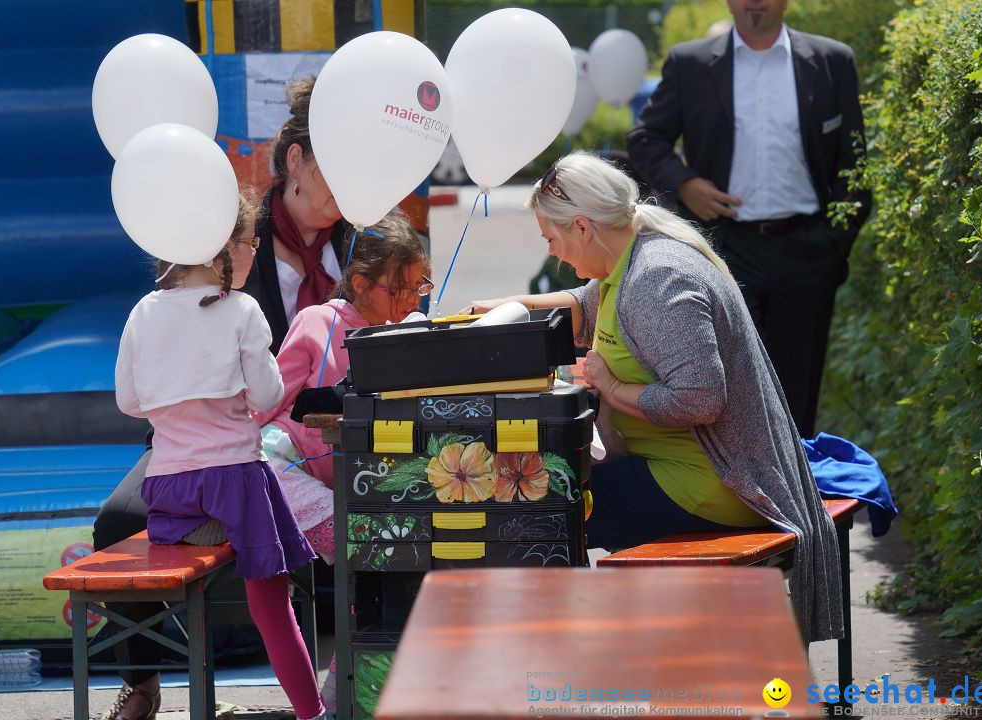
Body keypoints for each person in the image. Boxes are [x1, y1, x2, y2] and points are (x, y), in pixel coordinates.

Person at [461, 152, 842, 643]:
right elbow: (582, 309)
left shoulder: (655, 280)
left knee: (536, 514)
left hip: (715, 484)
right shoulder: (635, 257)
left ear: (581, 227)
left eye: (552, 239)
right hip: (691, 471)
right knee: (543, 496)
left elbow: (701, 399)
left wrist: (613, 389)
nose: (555, 255)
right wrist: (505, 309)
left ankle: (565, 667)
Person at [99, 191, 326, 720]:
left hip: (170, 494)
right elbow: (269, 399)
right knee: (272, 605)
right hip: (237, 488)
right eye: (249, 243)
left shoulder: (143, 312)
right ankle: (313, 712)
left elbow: (129, 402)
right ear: (220, 249)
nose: (254, 254)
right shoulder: (242, 311)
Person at [626, 0, 872, 438]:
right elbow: (646, 138)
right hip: (725, 250)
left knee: (798, 393)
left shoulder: (832, 61)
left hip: (807, 249)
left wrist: (834, 243)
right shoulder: (692, 63)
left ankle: (797, 496)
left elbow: (855, 165)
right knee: (728, 393)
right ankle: (735, 501)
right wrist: (684, 183)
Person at [253, 209, 431, 709]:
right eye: (401, 289)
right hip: (291, 470)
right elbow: (267, 405)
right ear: (358, 283)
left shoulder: (413, 333)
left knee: (377, 566)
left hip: (363, 483)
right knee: (366, 546)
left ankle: (341, 698)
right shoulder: (317, 322)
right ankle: (337, 703)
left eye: (422, 286)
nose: (413, 299)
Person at [245, 76, 348, 353]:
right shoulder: (240, 242)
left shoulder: (365, 238)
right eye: (335, 168)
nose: (348, 183)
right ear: (295, 161)